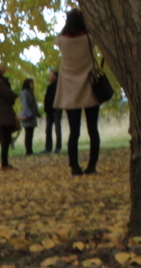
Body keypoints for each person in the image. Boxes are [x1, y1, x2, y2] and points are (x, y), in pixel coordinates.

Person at [55, 9, 101, 176]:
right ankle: (92, 165)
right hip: (89, 88)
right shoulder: (89, 39)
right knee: (93, 130)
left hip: (70, 91)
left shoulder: (61, 41)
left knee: (74, 132)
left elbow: (59, 37)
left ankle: (74, 166)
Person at [0, 63, 18, 170]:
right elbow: (8, 94)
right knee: (6, 139)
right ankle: (4, 163)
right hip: (3, 114)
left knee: (6, 138)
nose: (2, 65)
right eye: (0, 65)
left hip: (3, 113)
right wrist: (15, 95)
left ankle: (5, 163)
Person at [43, 69, 62, 154]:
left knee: (57, 129)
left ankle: (58, 147)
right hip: (49, 111)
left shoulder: (59, 87)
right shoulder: (49, 87)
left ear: (56, 76)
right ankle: (48, 148)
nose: (49, 77)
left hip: (56, 110)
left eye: (51, 75)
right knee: (48, 130)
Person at [19, 78, 40, 156]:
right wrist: (29, 114)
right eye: (31, 83)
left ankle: (30, 149)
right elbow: (25, 104)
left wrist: (37, 113)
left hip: (32, 115)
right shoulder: (24, 92)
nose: (32, 85)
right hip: (27, 115)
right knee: (28, 133)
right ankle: (28, 150)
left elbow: (34, 104)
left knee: (31, 133)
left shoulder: (31, 92)